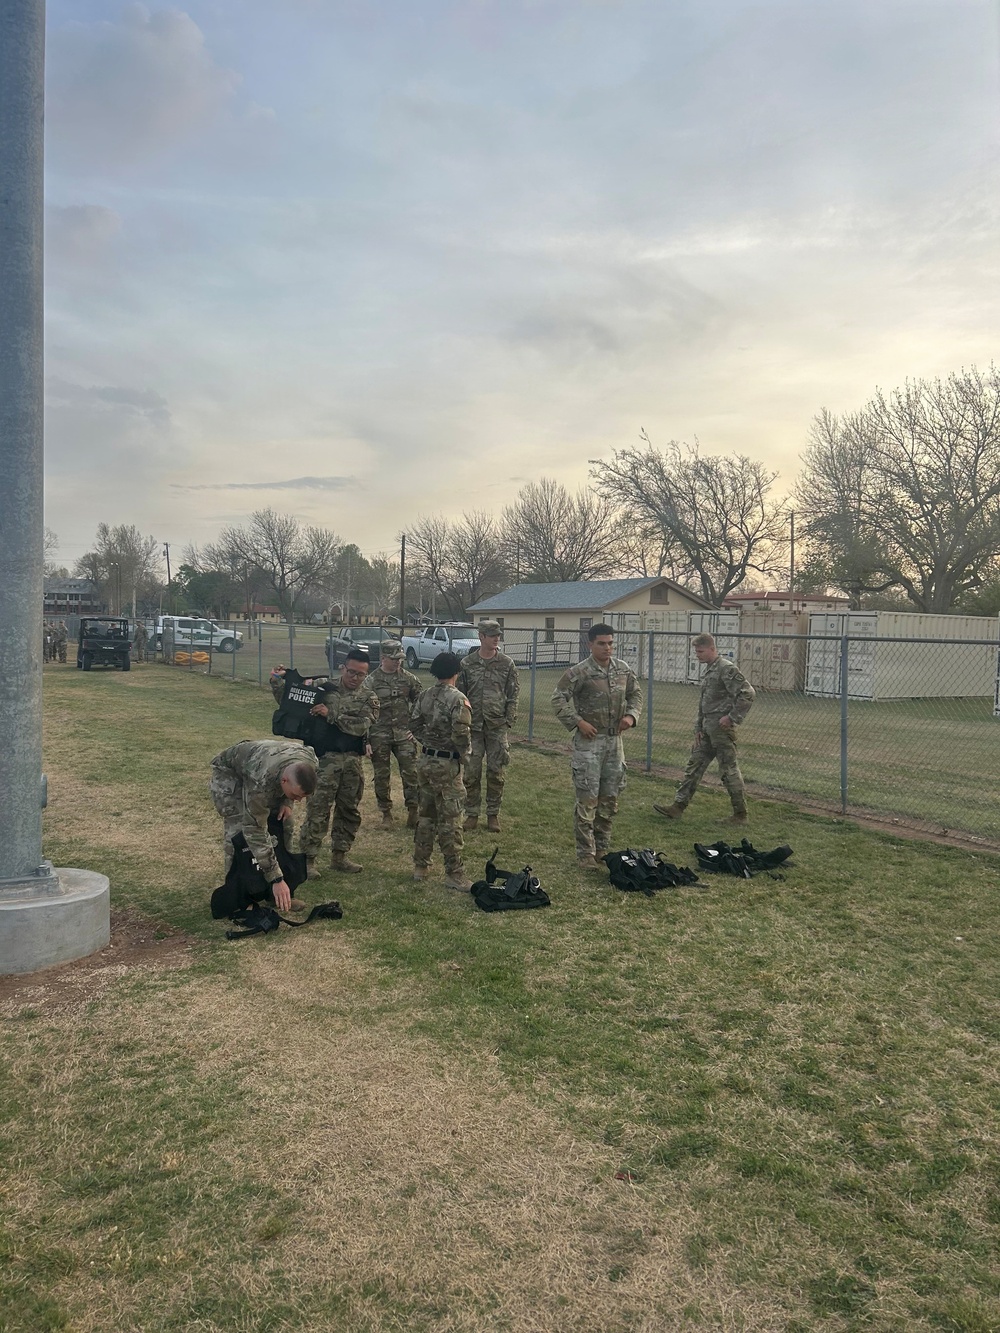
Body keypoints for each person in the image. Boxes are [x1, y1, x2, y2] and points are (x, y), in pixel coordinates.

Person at [279, 648, 379, 876]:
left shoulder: (369, 697)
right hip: (323, 759)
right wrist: (279, 681)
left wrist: (331, 715)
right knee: (318, 808)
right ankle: (308, 859)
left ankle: (340, 856)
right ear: (343, 668)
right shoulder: (324, 687)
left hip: (352, 761)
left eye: (361, 674)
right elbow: (294, 700)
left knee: (349, 809)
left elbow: (362, 726)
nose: (355, 678)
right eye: (351, 672)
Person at [551, 623, 641, 871]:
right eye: (602, 643)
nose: (607, 648)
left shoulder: (622, 670)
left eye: (611, 643)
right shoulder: (579, 672)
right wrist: (578, 722)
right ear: (590, 644)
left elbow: (636, 694)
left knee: (610, 798)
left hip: (614, 743)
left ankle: (602, 848)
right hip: (589, 742)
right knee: (588, 798)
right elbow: (558, 698)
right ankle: (585, 853)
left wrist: (631, 716)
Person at [654, 632, 755, 824]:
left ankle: (740, 814)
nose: (697, 655)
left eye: (700, 651)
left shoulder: (726, 669)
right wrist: (698, 728)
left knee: (728, 770)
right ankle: (678, 806)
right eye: (696, 651)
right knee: (695, 766)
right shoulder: (710, 669)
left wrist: (732, 717)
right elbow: (704, 703)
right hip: (707, 728)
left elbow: (748, 693)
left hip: (721, 730)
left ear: (712, 649)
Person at [209, 739, 319, 911]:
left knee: (284, 823)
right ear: (284, 781)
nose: (299, 800)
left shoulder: (310, 762)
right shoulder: (260, 779)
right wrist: (275, 877)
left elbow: (294, 780)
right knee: (238, 833)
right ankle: (239, 897)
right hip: (231, 775)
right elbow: (254, 830)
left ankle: (278, 895)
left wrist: (287, 801)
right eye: (296, 795)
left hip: (269, 770)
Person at [409, 651, 473, 891]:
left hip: (426, 760)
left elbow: (413, 723)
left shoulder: (425, 695)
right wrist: (463, 755)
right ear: (457, 672)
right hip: (447, 765)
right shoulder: (458, 699)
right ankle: (454, 873)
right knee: (451, 820)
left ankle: (420, 866)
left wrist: (428, 741)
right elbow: (461, 732)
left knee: (426, 816)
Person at [457, 619, 519, 834]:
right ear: (481, 636)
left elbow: (513, 694)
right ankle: (471, 813)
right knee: (471, 773)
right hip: (473, 727)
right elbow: (460, 696)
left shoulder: (506, 663)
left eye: (498, 635)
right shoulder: (467, 664)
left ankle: (493, 815)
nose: (496, 639)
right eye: (491, 635)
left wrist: (508, 719)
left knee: (496, 772)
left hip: (497, 726)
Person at [367, 640, 422, 828]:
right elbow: (364, 711)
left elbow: (420, 704)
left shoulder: (409, 679)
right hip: (379, 735)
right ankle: (386, 814)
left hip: (403, 734)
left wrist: (413, 729)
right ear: (383, 658)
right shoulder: (371, 681)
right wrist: (366, 739)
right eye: (394, 659)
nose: (398, 662)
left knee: (411, 773)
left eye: (400, 658)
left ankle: (413, 811)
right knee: (382, 775)